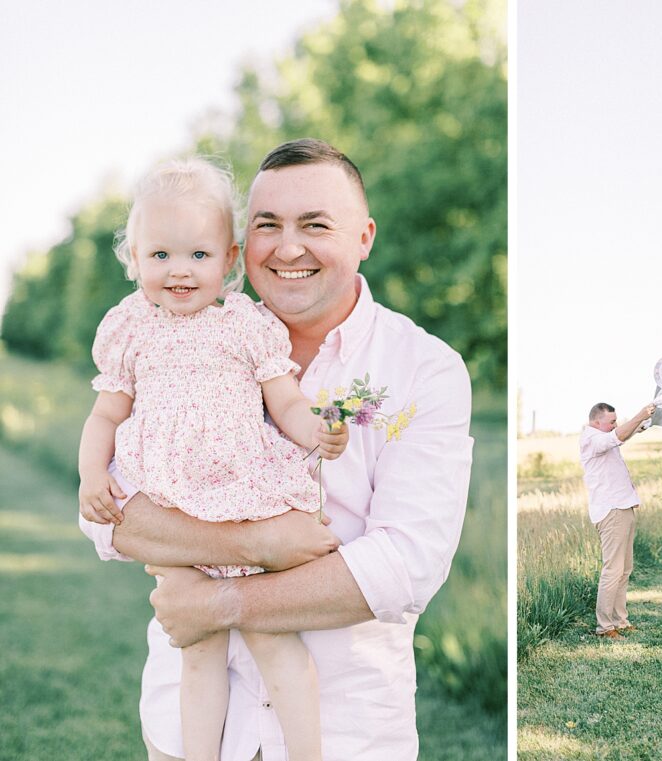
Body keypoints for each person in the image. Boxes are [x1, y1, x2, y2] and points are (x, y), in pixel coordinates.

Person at [79, 139, 474, 761]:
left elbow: (404, 567)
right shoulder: (176, 333)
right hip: (190, 729)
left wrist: (215, 600)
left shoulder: (425, 368)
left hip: (346, 730)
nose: (288, 248)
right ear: (245, 243)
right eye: (268, 225)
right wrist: (255, 546)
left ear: (364, 236)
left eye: (315, 225)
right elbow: (107, 519)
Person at [78, 157, 349, 761]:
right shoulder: (130, 328)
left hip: (243, 491)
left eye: (199, 256)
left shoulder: (247, 325)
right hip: (170, 497)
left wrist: (319, 433)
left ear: (228, 260)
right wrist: (92, 474)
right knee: (195, 645)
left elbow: (286, 401)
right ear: (136, 260)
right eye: (161, 256)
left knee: (274, 639)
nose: (180, 272)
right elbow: (105, 415)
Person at [579, 401, 655, 639]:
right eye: (611, 421)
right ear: (596, 422)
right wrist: (639, 414)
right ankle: (604, 627)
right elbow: (616, 436)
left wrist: (641, 423)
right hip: (611, 511)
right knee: (612, 570)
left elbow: (622, 435)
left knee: (624, 570)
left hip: (623, 507)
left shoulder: (605, 436)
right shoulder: (592, 438)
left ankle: (620, 621)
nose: (615, 425)